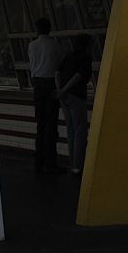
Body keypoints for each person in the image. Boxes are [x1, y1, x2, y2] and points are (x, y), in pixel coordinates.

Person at [26, 17, 61, 172]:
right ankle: (50, 162)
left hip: (37, 84)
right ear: (49, 28)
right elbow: (59, 65)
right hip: (50, 82)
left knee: (40, 123)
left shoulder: (32, 45)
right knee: (51, 123)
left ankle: (38, 160)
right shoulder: (55, 45)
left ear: (37, 30)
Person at [57, 34, 94, 175]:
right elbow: (79, 76)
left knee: (71, 129)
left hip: (64, 97)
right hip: (77, 95)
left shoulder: (68, 57)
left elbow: (57, 72)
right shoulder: (85, 58)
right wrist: (65, 89)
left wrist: (60, 90)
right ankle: (78, 165)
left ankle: (73, 163)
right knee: (80, 130)